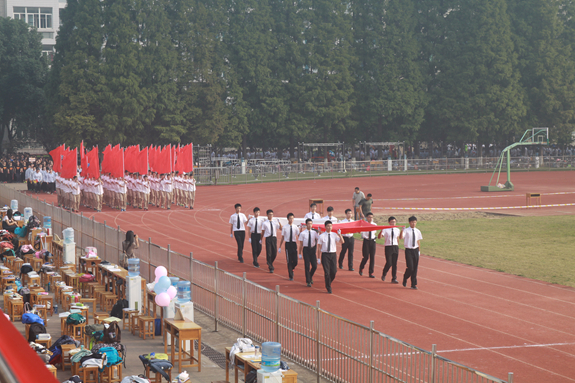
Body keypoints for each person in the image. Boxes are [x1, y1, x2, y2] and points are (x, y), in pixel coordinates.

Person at [316, 221, 343, 293]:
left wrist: (340, 234)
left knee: (334, 271)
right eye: (328, 226)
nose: (329, 227)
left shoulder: (334, 235)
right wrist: (318, 258)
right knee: (327, 272)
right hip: (325, 255)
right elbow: (319, 247)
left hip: (333, 254)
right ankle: (328, 287)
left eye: (330, 226)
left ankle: (328, 282)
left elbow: (342, 241)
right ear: (325, 227)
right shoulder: (321, 236)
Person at [380, 216, 403, 283]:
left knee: (394, 263)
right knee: (389, 262)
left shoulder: (397, 230)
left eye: (394, 222)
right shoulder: (386, 229)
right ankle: (384, 273)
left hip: (395, 247)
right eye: (392, 222)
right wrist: (381, 230)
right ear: (389, 222)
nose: (393, 223)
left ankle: (394, 278)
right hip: (388, 247)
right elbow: (380, 237)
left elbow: (398, 238)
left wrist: (397, 246)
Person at [402, 216, 423, 290]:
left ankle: (413, 284)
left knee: (415, 268)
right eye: (412, 222)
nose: (413, 223)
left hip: (415, 250)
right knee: (410, 267)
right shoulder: (406, 230)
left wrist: (419, 251)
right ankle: (405, 277)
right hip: (408, 250)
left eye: (415, 222)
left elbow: (418, 241)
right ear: (409, 222)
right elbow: (401, 237)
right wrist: (402, 230)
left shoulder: (417, 231)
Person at [298, 218, 319, 287]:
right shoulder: (303, 233)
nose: (310, 225)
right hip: (306, 250)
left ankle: (310, 276)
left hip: (312, 250)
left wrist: (320, 232)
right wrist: (299, 253)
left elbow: (319, 238)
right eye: (308, 224)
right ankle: (308, 281)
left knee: (314, 266)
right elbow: (301, 244)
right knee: (307, 265)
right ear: (306, 224)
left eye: (311, 224)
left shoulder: (314, 232)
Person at [279, 213, 300, 280]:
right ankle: (290, 275)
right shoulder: (285, 227)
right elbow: (282, 237)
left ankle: (292, 268)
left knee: (295, 261)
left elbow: (299, 235)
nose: (291, 220)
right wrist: (280, 246)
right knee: (289, 260)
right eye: (290, 218)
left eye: (292, 218)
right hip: (288, 244)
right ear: (288, 219)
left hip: (294, 244)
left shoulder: (295, 227)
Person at [359, 212, 378, 278]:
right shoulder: (364, 224)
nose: (371, 218)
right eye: (369, 217)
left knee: (372, 257)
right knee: (366, 256)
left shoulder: (375, 224)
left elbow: (375, 232)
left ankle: (371, 272)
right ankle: (361, 267)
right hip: (366, 241)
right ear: (367, 218)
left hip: (372, 241)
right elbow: (359, 231)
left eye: (372, 217)